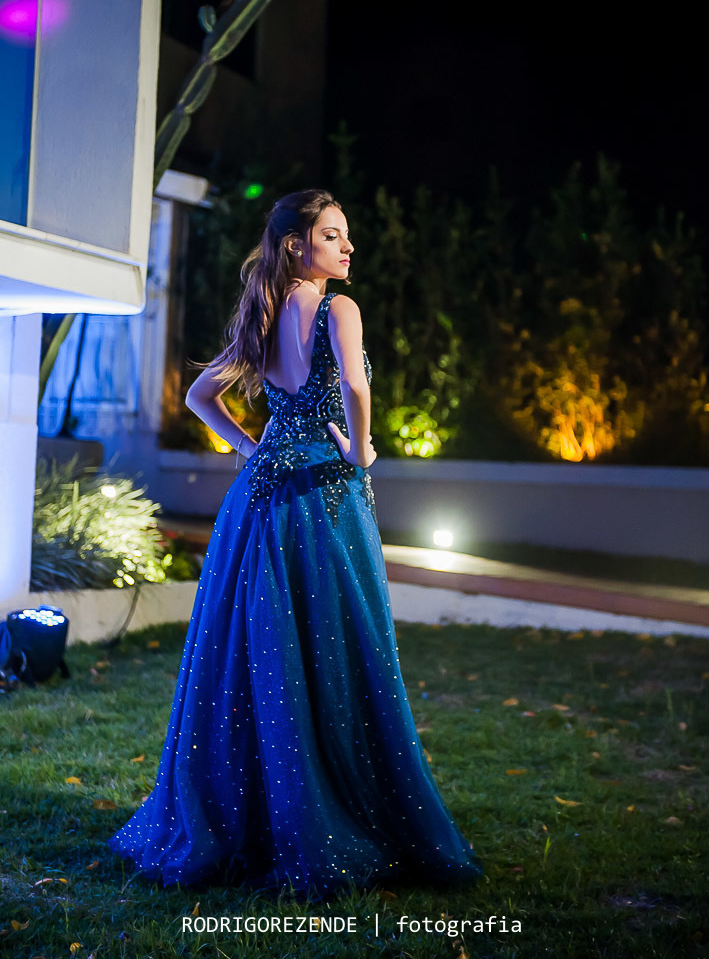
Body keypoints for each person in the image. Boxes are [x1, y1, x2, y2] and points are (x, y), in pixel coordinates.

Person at [107, 189, 483, 900]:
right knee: (332, 646)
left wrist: (250, 447)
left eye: (346, 235)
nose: (348, 247)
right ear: (295, 244)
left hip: (258, 502)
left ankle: (251, 819)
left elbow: (199, 396)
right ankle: (326, 813)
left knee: (259, 655)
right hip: (322, 495)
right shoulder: (339, 309)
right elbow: (354, 387)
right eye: (333, 235)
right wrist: (362, 451)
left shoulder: (265, 310)